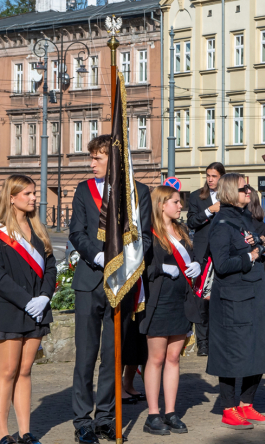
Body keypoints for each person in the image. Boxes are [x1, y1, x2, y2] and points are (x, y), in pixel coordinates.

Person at [70, 135, 152, 444]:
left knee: (112, 355)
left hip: (120, 283)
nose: (90, 164)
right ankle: (82, 419)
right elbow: (76, 232)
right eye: (90, 158)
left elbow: (141, 234)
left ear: (114, 160)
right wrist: (98, 254)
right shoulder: (83, 190)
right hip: (89, 281)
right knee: (86, 355)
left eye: (97, 158)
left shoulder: (138, 192)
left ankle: (105, 416)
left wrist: (119, 261)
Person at [205, 174, 265, 429]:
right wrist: (253, 255)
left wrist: (261, 248)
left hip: (253, 295)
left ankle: (247, 404)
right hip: (233, 299)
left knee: (258, 348)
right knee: (232, 354)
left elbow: (250, 246)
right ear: (230, 192)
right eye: (244, 188)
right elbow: (222, 265)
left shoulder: (243, 218)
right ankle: (228, 407)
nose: (249, 191)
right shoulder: (222, 222)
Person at [0, 175, 57, 444]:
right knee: (7, 372)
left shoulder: (39, 230)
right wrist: (26, 300)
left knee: (25, 371)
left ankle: (25, 431)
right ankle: (2, 432)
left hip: (37, 309)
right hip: (10, 309)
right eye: (28, 194)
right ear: (12, 197)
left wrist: (45, 296)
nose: (34, 198)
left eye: (34, 193)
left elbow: (51, 267)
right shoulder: (1, 232)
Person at [140, 186, 201, 436]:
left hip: (181, 300)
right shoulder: (150, 233)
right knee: (155, 359)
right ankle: (153, 413)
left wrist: (196, 263)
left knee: (174, 359)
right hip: (159, 300)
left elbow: (193, 256)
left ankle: (171, 411)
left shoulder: (182, 230)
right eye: (176, 202)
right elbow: (141, 267)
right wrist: (162, 269)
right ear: (161, 204)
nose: (180, 206)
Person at [186, 163, 225, 357]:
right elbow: (191, 222)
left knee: (219, 298)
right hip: (203, 255)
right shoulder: (196, 196)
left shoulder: (229, 196)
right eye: (208, 176)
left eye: (214, 176)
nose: (210, 179)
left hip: (223, 253)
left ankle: (218, 340)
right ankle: (203, 343)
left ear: (222, 177)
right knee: (202, 299)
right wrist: (210, 210)